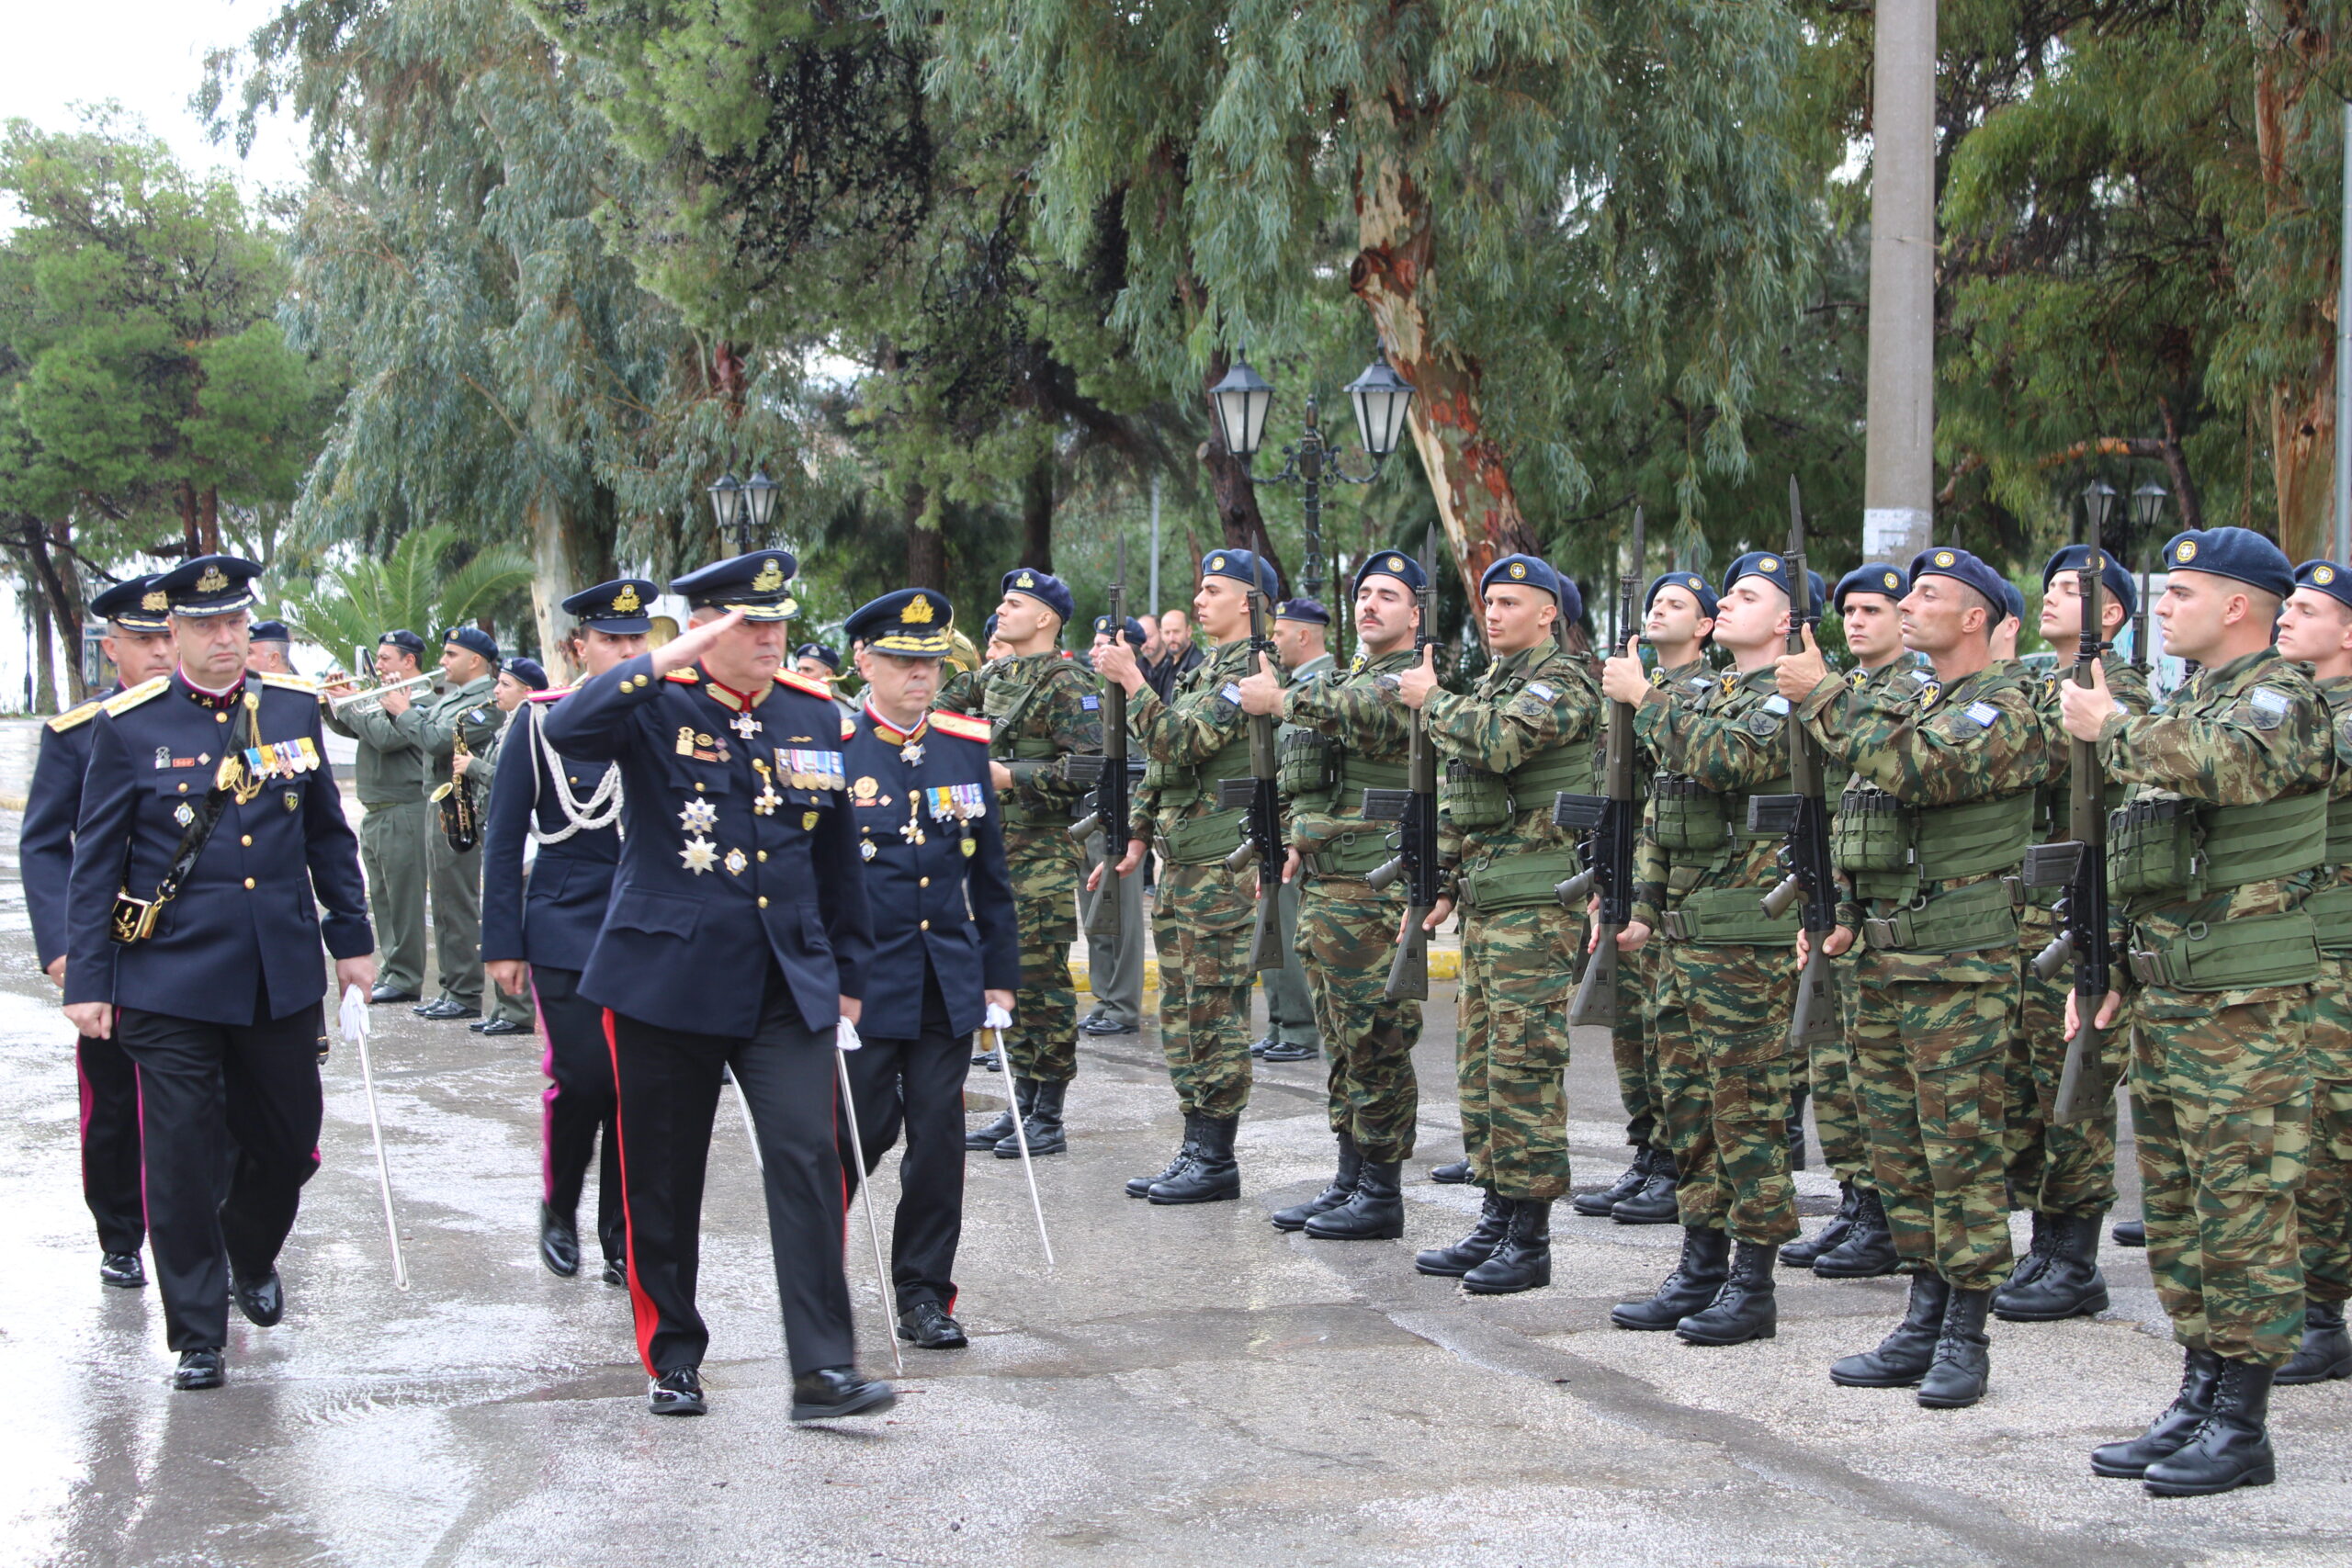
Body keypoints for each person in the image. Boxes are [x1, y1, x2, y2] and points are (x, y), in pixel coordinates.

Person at [540, 547, 890, 1422]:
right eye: (748, 623)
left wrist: (848, 973)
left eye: (777, 622)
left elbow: (836, 855)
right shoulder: (654, 699)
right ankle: (672, 1354)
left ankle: (822, 1369)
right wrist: (662, 657)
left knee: (808, 1155)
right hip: (668, 976)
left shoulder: (813, 712)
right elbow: (567, 728)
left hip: (784, 979)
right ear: (704, 628)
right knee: (663, 1175)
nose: (770, 638)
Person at [61, 555, 373, 1391]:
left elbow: (326, 836)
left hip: (276, 971)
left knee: (289, 1139)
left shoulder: (293, 710)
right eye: (206, 625)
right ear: (175, 634)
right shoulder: (129, 727)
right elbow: (96, 863)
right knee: (180, 1155)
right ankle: (198, 1332)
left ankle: (250, 1245)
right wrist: (88, 979)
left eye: (235, 622)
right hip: (169, 978)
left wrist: (352, 938)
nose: (225, 638)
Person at [2061, 528, 2327, 1493]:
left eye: (2181, 593)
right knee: (2176, 1211)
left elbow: (2234, 764)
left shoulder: (2282, 699)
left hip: (2243, 1004)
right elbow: (2147, 859)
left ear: (2238, 606)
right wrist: (2104, 969)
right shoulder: (2190, 702)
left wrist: (2111, 727)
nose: (2163, 607)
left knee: (2243, 1209)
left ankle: (2243, 1425)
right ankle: (2199, 1393)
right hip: (2171, 997)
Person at [1777, 547, 2050, 1409]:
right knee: (1898, 1151)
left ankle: (1966, 1333)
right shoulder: (1920, 701)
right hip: (1885, 959)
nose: (1908, 605)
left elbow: (1919, 768)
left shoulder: (2005, 708)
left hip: (1958, 966)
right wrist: (1841, 908)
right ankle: (1923, 1314)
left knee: (1959, 1150)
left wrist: (1823, 694)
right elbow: (1872, 817)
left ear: (1975, 617)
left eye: (1928, 594)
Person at [1601, 553, 1811, 1343]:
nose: (1727, 602)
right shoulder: (1711, 694)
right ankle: (1699, 1264)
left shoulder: (1789, 696)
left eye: (1747, 595)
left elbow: (1731, 759)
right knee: (1689, 1110)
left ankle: (1752, 1283)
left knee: (1745, 1112)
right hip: (1687, 939)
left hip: (1747, 941)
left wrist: (1645, 698)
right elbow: (1667, 810)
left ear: (1786, 621)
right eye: (1727, 593)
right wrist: (1644, 906)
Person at [1400, 554, 1599, 1293]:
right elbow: (1468, 794)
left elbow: (1498, 743)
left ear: (1548, 613)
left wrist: (1432, 699)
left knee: (1523, 1067)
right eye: (1489, 602)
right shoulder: (1494, 684)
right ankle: (1496, 1213)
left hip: (1537, 903)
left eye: (1510, 602)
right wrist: (1442, 878)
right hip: (1490, 902)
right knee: (1481, 1067)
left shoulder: (1563, 680)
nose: (1493, 613)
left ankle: (1530, 1235)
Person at [834, 588, 1019, 1350]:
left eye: (931, 663)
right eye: (903, 661)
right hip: (864, 982)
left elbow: (990, 875)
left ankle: (923, 1293)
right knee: (859, 1128)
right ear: (865, 662)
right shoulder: (834, 749)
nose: (920, 675)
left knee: (939, 1137)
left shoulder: (963, 746)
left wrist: (1000, 976)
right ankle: (814, 1266)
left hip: (946, 975)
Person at [1236, 555, 1425, 1240]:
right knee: (1344, 1043)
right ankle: (1351, 1176)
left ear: (1416, 614)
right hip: (1328, 886)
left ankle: (1381, 1190)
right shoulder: (1349, 678)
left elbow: (1361, 714)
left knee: (1376, 1039)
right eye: (1363, 593)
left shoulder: (1411, 682)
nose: (1369, 604)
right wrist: (1294, 835)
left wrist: (1280, 699)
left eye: (1388, 596)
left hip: (1374, 891)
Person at [1092, 550, 1283, 1204]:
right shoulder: (1205, 669)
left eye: (1214, 590)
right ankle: (1194, 1145)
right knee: (1180, 1010)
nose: (1200, 600)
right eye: (1199, 589)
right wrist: (1139, 829)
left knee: (1214, 1011)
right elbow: (1164, 768)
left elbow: (1183, 741)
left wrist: (1132, 679)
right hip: (1183, 865)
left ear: (1252, 604)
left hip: (1221, 869)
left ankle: (1216, 1157)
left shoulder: (1252, 671)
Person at [1994, 547, 2151, 1322]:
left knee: (2075, 1079)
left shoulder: (2118, 691)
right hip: (2029, 915)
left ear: (2110, 614)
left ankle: (2076, 1256)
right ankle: (2045, 1239)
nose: (2051, 597)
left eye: (2071, 589)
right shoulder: (2035, 683)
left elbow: (2038, 750)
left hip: (2088, 910)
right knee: (2027, 1085)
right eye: (2049, 585)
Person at [482, 586, 653, 1287]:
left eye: (637, 639)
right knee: (584, 1076)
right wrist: (503, 942)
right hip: (565, 920)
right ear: (580, 648)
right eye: (612, 640)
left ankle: (622, 1235)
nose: (627, 652)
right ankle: (559, 1203)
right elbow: (502, 837)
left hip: (647, 926)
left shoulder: (666, 715)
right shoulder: (537, 721)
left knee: (637, 1086)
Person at [20, 574, 178, 1288]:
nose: (161, 652)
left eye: (168, 636)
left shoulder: (225, 720)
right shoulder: (78, 733)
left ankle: (214, 1229)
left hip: (203, 940)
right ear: (111, 647)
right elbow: (45, 844)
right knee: (113, 1101)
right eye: (144, 640)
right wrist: (63, 946)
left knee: (212, 1096)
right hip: (113, 943)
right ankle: (120, 1232)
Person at [1777, 564, 1915, 1279]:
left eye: (1873, 610)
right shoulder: (1840, 691)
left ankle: (1887, 1216)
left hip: (1886, 899)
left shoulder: (1910, 695)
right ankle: (1859, 1201)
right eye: (1850, 611)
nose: (1857, 621)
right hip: (1835, 891)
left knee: (1878, 1077)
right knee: (1835, 1070)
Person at [1568, 569, 1718, 1223]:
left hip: (1673, 885)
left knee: (1667, 1036)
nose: (1659, 610)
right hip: (1625, 872)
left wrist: (1641, 696)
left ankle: (1676, 1160)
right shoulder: (1629, 688)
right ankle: (1649, 1152)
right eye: (1655, 601)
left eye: (1676, 604)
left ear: (1704, 626)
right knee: (1631, 1026)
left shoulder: (1706, 694)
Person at [947, 569, 1100, 1156]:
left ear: (1044, 618)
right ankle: (1020, 1106)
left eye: (1014, 603)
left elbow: (1090, 766)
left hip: (1041, 852)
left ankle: (1048, 1116)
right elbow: (936, 709)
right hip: (993, 847)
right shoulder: (998, 675)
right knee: (1005, 977)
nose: (1001, 610)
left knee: (1041, 985)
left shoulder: (1068, 682)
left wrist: (1010, 776)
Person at [2272, 558, 2352, 1385]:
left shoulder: (2335, 720)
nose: (2287, 617)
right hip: (2297, 952)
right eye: (2286, 604)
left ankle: (2322, 1314)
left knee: (2326, 1131)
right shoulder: (2296, 705)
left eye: (2308, 608)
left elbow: (2307, 764)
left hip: (2339, 958)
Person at [324, 630, 433, 1004]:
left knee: (404, 900)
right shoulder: (384, 698)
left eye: (386, 658)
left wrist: (351, 705)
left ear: (409, 661)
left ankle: (406, 976)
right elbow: (356, 730)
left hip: (405, 808)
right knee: (383, 899)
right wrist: (335, 701)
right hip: (377, 810)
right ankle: (394, 967)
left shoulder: (419, 699)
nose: (379, 665)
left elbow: (386, 737)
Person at [1253, 595, 1333, 1065]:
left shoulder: (1323, 688)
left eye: (1280, 633)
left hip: (1301, 831)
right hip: (1278, 826)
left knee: (1289, 928)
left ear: (1303, 635)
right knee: (1274, 926)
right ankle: (1281, 1022)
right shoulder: (1288, 688)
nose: (1274, 642)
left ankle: (1300, 1029)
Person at [412, 626, 505, 1021]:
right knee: (444, 901)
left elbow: (437, 740)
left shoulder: (489, 701)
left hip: (466, 809)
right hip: (441, 803)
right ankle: (452, 986)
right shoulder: (455, 697)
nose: (443, 661)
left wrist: (401, 711)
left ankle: (465, 991)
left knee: (459, 902)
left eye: (451, 654)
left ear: (475, 660)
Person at [465, 655, 544, 1036]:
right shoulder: (507, 726)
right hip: (496, 828)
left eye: (505, 685)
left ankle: (517, 1010)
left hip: (527, 838)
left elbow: (510, 780)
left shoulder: (534, 727)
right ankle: (503, 1007)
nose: (496, 690)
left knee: (518, 917)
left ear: (528, 692)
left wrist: (472, 767)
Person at [1080, 615, 1149, 1037]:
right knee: (1096, 917)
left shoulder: (1137, 695)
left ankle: (1122, 1006)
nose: (1093, 652)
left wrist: (1134, 824)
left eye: (1101, 644)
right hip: (1090, 815)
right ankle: (1105, 999)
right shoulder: (1091, 694)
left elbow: (1144, 762)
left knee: (1122, 919)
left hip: (1121, 817)